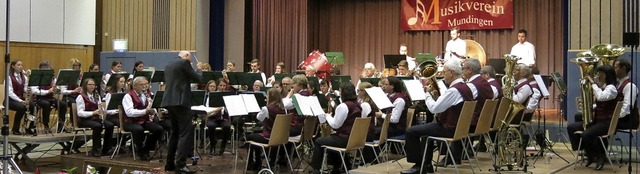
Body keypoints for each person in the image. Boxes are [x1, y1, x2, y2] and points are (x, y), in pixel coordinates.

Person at [402, 59, 474, 174]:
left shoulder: (453, 91)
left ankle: (418, 165)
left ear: (450, 73)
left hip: (449, 128)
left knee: (411, 131)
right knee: (426, 132)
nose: (442, 75)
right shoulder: (465, 87)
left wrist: (427, 94)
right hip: (459, 128)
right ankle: (426, 165)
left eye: (444, 72)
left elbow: (434, 109)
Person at [567, 65, 618, 171]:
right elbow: (600, 103)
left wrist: (593, 84)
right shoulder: (604, 87)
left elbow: (601, 97)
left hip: (606, 122)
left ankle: (599, 156)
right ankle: (588, 153)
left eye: (600, 74)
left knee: (586, 134)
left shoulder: (612, 88)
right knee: (572, 127)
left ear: (605, 75)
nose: (598, 76)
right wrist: (589, 105)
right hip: (598, 119)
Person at [161, 50, 202, 173]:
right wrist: (199, 69)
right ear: (186, 56)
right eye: (190, 59)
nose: (191, 62)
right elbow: (198, 78)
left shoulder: (169, 64)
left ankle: (169, 164)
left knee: (175, 133)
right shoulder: (184, 63)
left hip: (169, 101)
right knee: (185, 133)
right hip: (181, 102)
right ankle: (181, 165)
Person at [311, 82, 362, 173]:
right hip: (354, 138)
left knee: (319, 141)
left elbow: (335, 125)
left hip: (345, 139)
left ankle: (316, 169)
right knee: (331, 138)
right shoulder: (357, 104)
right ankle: (339, 166)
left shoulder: (343, 106)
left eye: (340, 91)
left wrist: (327, 116)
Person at [123, 77, 164, 161]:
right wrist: (145, 112)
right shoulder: (128, 96)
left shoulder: (146, 95)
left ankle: (146, 149)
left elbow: (150, 108)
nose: (145, 87)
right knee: (139, 129)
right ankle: (140, 151)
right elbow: (129, 112)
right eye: (142, 85)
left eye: (146, 84)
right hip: (130, 122)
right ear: (134, 86)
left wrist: (153, 111)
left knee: (158, 129)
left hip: (144, 120)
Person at [246, 88, 286, 171]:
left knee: (250, 136)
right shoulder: (283, 108)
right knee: (256, 134)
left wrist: (264, 108)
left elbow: (259, 118)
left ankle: (255, 162)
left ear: (270, 96)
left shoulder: (267, 108)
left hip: (269, 137)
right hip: (279, 137)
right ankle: (271, 160)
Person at [76, 78, 115, 157]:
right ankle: (96, 149)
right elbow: (80, 113)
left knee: (110, 125)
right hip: (84, 120)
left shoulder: (96, 96)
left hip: (95, 118)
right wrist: (93, 113)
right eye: (90, 84)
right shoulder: (81, 97)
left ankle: (106, 148)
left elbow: (100, 108)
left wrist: (102, 110)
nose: (92, 86)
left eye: (93, 85)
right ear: (85, 86)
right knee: (97, 126)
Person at [32, 61, 68, 134]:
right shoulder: (36, 77)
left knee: (63, 104)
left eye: (49, 68)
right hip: (39, 99)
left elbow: (56, 89)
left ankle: (61, 127)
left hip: (50, 98)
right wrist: (47, 91)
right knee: (46, 104)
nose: (48, 70)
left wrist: (56, 89)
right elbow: (34, 91)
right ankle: (46, 125)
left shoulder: (52, 78)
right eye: (46, 68)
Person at [6, 60, 36, 136]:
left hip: (20, 99)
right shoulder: (9, 77)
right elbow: (10, 92)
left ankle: (28, 127)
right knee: (21, 107)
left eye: (21, 65)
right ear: (13, 66)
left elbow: (25, 89)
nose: (21, 67)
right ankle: (15, 129)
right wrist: (20, 101)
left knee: (32, 106)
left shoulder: (24, 77)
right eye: (18, 65)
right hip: (10, 100)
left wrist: (29, 88)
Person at [207, 78, 232, 155]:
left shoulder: (228, 96)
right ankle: (212, 145)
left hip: (223, 118)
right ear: (217, 86)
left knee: (227, 127)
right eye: (220, 85)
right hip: (213, 117)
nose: (222, 87)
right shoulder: (212, 95)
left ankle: (223, 146)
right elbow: (207, 107)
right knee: (211, 126)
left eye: (224, 85)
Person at [614, 59, 639, 129]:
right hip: (620, 119)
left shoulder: (630, 86)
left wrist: (613, 117)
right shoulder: (618, 84)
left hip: (627, 121)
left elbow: (626, 108)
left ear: (623, 69)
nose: (614, 70)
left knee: (600, 124)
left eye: (616, 67)